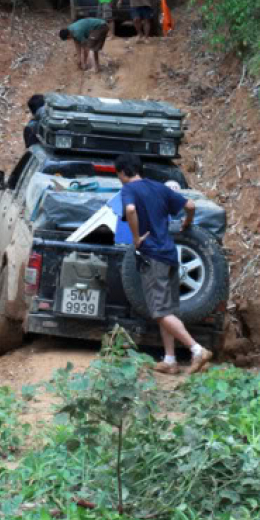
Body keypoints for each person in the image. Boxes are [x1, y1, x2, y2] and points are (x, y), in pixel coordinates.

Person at [115, 154, 212, 376]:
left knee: (159, 312)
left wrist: (137, 237)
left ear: (122, 173)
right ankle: (170, 359)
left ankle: (196, 350)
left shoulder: (129, 189)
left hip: (152, 256)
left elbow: (130, 211)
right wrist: (186, 225)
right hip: (170, 255)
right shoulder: (159, 187)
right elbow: (190, 204)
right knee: (166, 309)